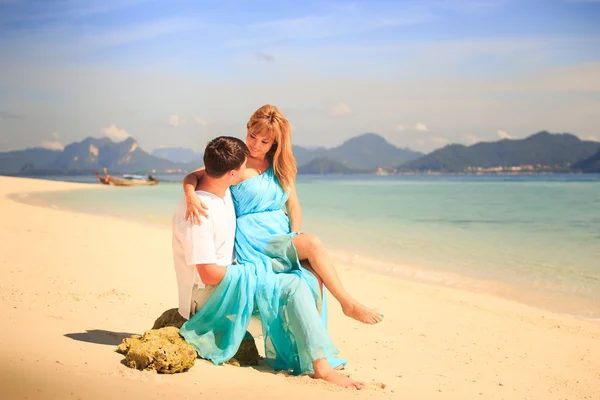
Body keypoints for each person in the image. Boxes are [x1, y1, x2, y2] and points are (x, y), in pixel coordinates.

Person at [173, 136, 364, 389]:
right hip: (208, 294)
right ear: (232, 174)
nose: (247, 171)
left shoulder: (222, 194)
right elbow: (207, 275)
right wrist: (253, 272)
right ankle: (321, 367)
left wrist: (188, 189)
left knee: (304, 276)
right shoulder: (200, 213)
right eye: (243, 167)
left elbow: (197, 175)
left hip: (228, 276)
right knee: (292, 287)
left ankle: (311, 355)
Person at [182, 104, 383, 325]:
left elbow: (294, 206)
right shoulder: (238, 161)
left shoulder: (282, 165)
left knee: (311, 274)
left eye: (264, 141)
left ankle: (309, 344)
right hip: (254, 240)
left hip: (280, 234)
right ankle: (348, 304)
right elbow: (196, 175)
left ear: (275, 142)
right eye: (252, 136)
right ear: (247, 128)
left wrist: (293, 235)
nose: (255, 144)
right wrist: (190, 194)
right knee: (313, 244)